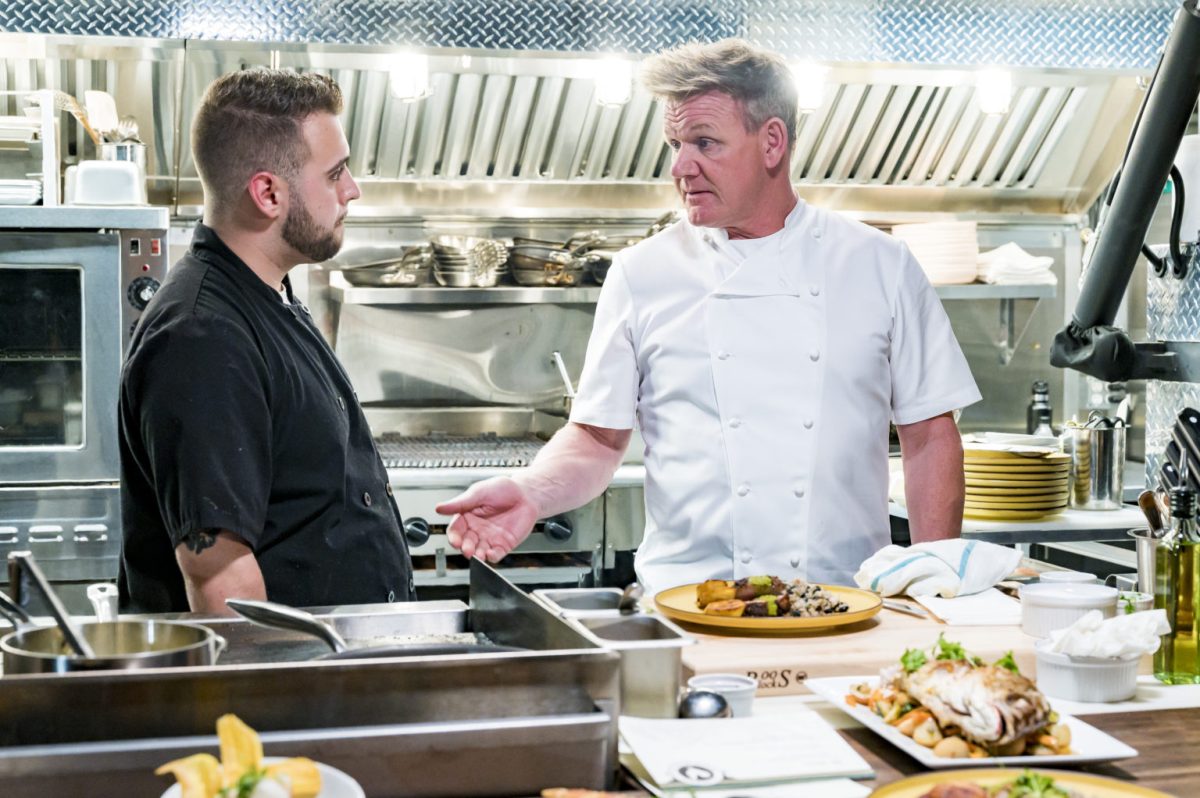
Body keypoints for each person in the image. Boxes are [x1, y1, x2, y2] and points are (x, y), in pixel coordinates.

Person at [436, 39, 980, 594]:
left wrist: (936, 585)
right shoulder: (641, 273)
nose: (680, 166)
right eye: (675, 144)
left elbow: (929, 436)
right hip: (688, 604)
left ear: (772, 142)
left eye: (704, 142)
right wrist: (531, 491)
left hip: (842, 601)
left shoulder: (878, 264)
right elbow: (597, 440)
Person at [118, 68, 416, 614]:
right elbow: (222, 582)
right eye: (335, 173)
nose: (352, 189)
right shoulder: (203, 339)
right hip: (289, 667)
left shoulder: (267, 295)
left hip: (336, 659)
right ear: (268, 193)